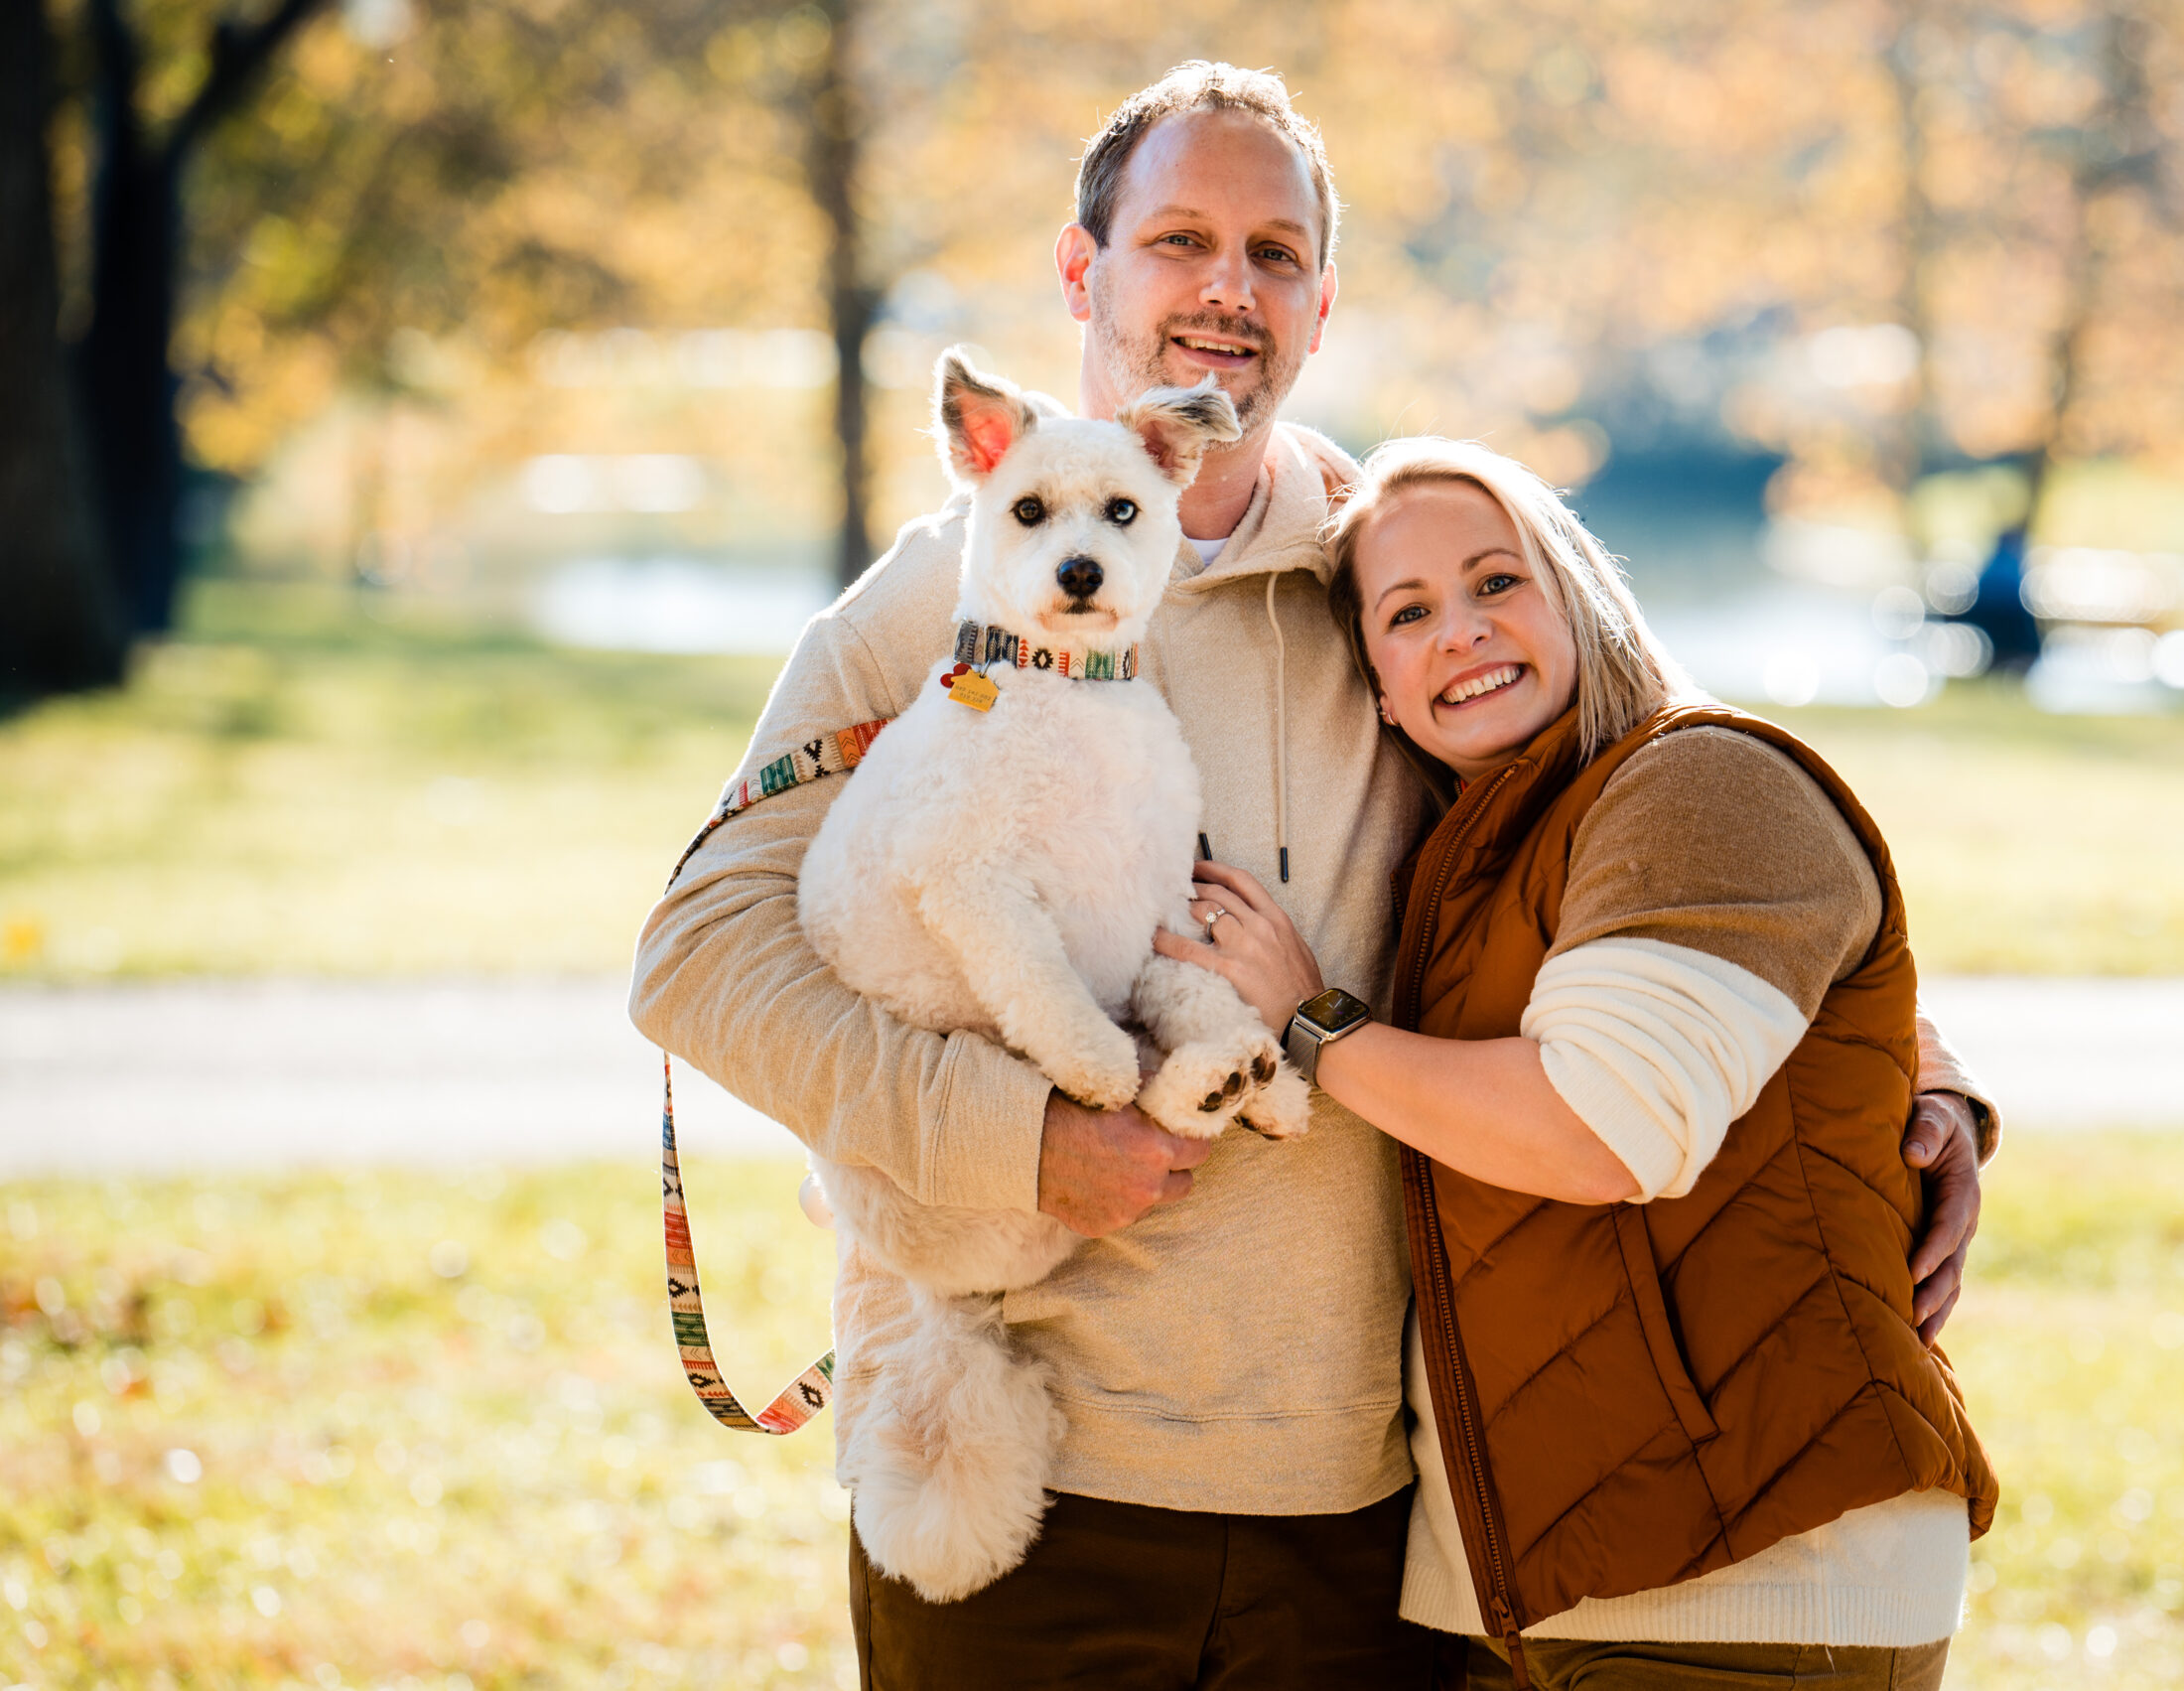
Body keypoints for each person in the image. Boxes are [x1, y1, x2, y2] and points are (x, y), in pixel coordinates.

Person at [631, 62, 1995, 1690]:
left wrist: (1924, 1085)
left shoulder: (1407, 569)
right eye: (1181, 241)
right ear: (1085, 272)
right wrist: (1021, 1137)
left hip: (1360, 1496)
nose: (1227, 290)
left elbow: (1684, 808)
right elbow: (694, 956)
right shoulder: (950, 593)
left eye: (1275, 254)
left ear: (1322, 303)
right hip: (1019, 1479)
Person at [1167, 438, 1996, 1691]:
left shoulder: (1693, 780)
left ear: (1581, 596)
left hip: (1753, 1575)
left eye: (1497, 581)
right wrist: (1937, 1092)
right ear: (1377, 689)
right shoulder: (1481, 843)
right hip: (1536, 1583)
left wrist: (1314, 1027)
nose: (1460, 629)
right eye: (1407, 612)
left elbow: (1599, 1129)